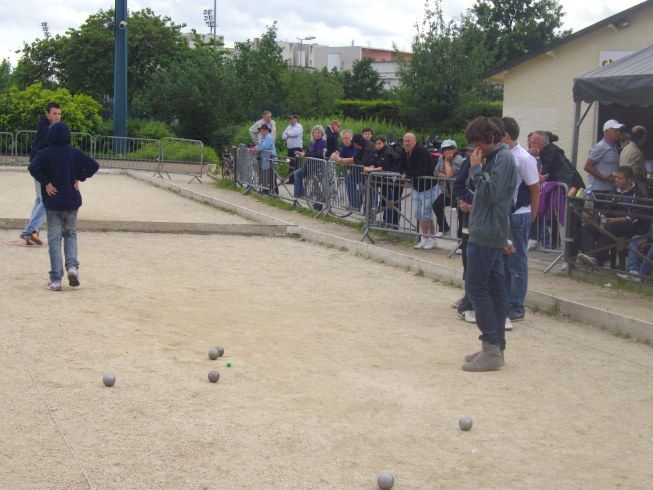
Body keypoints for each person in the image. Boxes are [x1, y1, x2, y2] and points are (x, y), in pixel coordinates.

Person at [461, 116, 516, 372]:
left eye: (478, 145)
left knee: (476, 287)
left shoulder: (503, 159)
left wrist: (474, 170)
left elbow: (492, 194)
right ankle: (495, 348)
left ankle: (491, 348)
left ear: (491, 139)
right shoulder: (496, 158)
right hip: (487, 230)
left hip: (487, 233)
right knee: (494, 288)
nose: (476, 151)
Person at [28, 122, 99, 290]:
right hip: (72, 202)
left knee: (54, 241)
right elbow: (94, 166)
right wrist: (79, 177)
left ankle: (55, 279)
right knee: (71, 235)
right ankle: (72, 267)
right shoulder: (74, 153)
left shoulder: (45, 153)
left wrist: (45, 182)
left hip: (53, 203)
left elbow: (32, 167)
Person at [501, 117, 540, 322]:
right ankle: (507, 301)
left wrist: (532, 214)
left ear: (505, 135)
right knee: (507, 259)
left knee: (517, 262)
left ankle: (516, 306)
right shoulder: (503, 155)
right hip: (506, 215)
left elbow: (535, 188)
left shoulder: (524, 158)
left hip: (518, 214)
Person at [577, 166, 643, 268]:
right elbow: (605, 209)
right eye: (615, 177)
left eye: (620, 178)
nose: (616, 180)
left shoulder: (637, 194)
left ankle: (598, 258)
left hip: (629, 227)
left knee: (611, 226)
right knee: (587, 228)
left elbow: (632, 218)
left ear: (629, 180)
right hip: (609, 223)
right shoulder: (614, 190)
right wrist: (603, 221)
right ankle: (592, 256)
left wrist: (610, 220)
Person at [20, 102, 62, 245]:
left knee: (39, 200)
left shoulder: (47, 126)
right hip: (39, 168)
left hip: (38, 166)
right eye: (54, 113)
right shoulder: (48, 129)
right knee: (45, 201)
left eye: (59, 114)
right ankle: (29, 230)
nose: (57, 117)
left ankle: (33, 232)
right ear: (47, 113)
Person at [400, 133, 437, 250]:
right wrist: (405, 172)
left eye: (409, 140)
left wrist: (407, 173)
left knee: (426, 213)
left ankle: (432, 238)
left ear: (415, 140)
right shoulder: (404, 152)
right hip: (417, 186)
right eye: (405, 141)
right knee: (418, 213)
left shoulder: (421, 151)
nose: (406, 143)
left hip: (428, 186)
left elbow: (421, 170)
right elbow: (401, 167)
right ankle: (424, 238)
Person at [364, 136, 401, 226]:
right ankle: (379, 217)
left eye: (379, 143)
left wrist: (370, 170)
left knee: (390, 201)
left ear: (384, 143)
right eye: (376, 144)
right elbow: (375, 163)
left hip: (392, 179)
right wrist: (371, 167)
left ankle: (390, 223)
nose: (377, 145)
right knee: (384, 199)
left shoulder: (387, 152)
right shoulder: (376, 152)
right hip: (383, 179)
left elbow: (384, 167)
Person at [433, 139, 464, 237]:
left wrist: (447, 161)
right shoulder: (441, 158)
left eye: (450, 149)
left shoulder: (458, 159)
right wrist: (447, 176)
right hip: (447, 192)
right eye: (445, 149)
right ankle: (444, 229)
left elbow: (451, 174)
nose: (447, 151)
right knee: (436, 205)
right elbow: (436, 172)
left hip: (458, 192)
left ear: (455, 149)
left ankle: (460, 240)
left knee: (461, 216)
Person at [584, 119, 624, 193]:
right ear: (606, 131)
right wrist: (604, 177)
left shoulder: (613, 146)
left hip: (609, 188)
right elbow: (587, 166)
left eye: (619, 130)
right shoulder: (601, 146)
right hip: (599, 189)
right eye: (615, 130)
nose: (618, 133)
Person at [331, 129, 362, 210]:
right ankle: (354, 204)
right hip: (353, 171)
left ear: (351, 137)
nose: (345, 140)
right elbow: (340, 160)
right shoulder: (343, 148)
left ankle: (358, 205)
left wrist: (341, 160)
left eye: (347, 138)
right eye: (343, 138)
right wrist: (334, 157)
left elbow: (354, 160)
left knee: (361, 186)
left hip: (362, 170)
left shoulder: (355, 146)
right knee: (348, 179)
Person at [620, 126, 649, 195]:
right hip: (636, 192)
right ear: (642, 137)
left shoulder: (625, 149)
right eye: (645, 138)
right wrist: (649, 181)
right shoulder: (636, 152)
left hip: (625, 189)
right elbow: (636, 174)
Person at [253, 123, 277, 193]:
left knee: (271, 177)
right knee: (266, 176)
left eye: (263, 130)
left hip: (270, 160)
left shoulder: (268, 137)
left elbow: (264, 146)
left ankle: (274, 192)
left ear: (267, 131)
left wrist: (256, 149)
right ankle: (265, 190)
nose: (261, 131)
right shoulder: (263, 138)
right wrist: (255, 148)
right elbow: (258, 145)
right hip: (265, 161)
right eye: (261, 130)